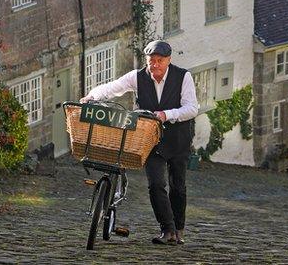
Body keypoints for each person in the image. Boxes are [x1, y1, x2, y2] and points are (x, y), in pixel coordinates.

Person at [80, 40, 199, 245]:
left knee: (178, 186)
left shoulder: (183, 77)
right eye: (151, 61)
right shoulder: (138, 76)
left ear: (168, 61)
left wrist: (166, 114)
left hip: (178, 138)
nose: (155, 65)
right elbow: (113, 88)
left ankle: (179, 229)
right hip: (151, 140)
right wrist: (92, 96)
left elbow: (191, 108)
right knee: (156, 185)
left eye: (159, 61)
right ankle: (167, 230)